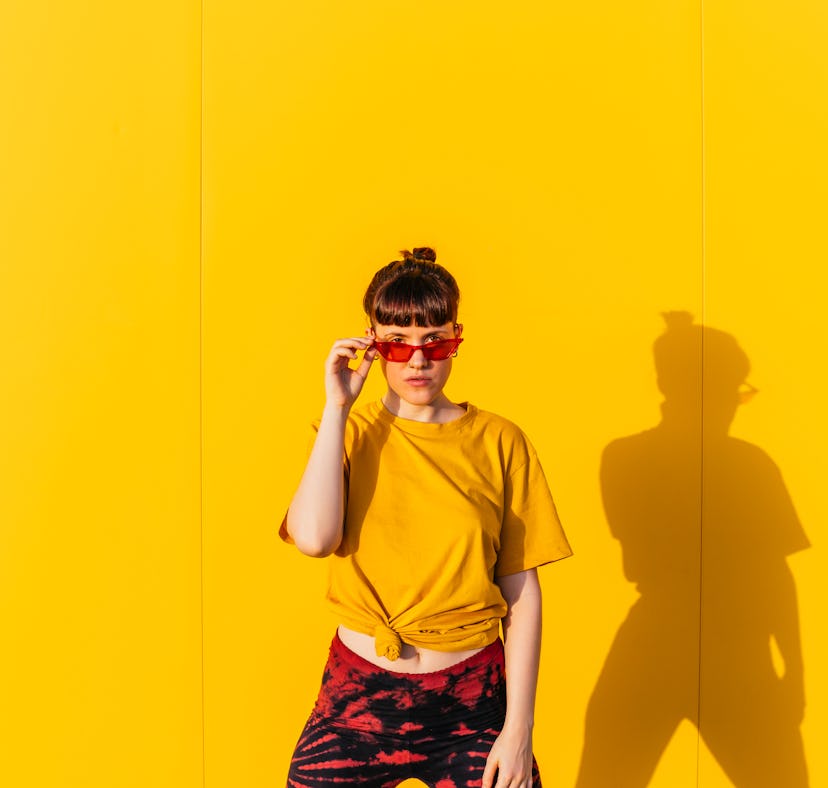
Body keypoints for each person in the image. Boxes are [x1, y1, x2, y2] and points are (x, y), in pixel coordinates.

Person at [280, 247, 573, 788]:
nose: (418, 360)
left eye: (435, 341)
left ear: (456, 339)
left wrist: (519, 729)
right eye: (397, 343)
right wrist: (337, 407)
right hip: (358, 699)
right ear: (371, 342)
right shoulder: (346, 433)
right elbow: (316, 540)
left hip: (472, 701)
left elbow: (522, 593)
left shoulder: (499, 441)